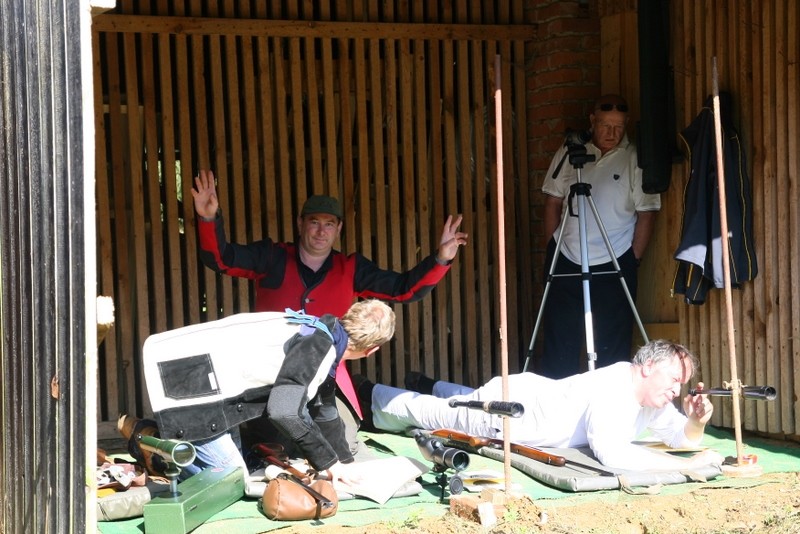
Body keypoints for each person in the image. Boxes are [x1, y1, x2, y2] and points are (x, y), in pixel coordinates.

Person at [191, 169, 468, 426]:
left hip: (328, 378)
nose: (321, 231)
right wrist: (208, 219)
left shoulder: (351, 268)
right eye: (314, 222)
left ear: (338, 228)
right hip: (267, 375)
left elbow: (404, 289)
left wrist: (440, 259)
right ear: (301, 223)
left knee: (344, 437)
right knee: (268, 436)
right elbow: (222, 259)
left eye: (329, 224)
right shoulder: (272, 256)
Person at [359, 340, 725, 472]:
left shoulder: (651, 396)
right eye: (674, 379)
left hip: (528, 395)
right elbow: (613, 455)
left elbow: (683, 438)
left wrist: (696, 422)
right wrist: (688, 468)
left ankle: (427, 381)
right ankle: (366, 392)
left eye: (683, 383)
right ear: (647, 368)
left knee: (455, 398)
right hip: (507, 414)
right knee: (425, 412)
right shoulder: (614, 388)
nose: (678, 391)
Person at [141, 299, 396, 487]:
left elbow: (323, 409)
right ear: (372, 350)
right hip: (186, 382)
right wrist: (328, 464)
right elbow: (284, 412)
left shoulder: (324, 333)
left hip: (196, 377)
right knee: (232, 482)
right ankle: (151, 444)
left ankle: (165, 443)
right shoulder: (318, 348)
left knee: (237, 468)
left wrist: (343, 463)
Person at [539, 94, 661, 378]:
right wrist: (551, 245)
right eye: (606, 125)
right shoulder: (572, 150)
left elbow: (648, 212)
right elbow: (553, 200)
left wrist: (634, 258)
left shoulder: (635, 157)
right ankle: (557, 409)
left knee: (612, 344)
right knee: (560, 338)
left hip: (614, 259)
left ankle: (608, 410)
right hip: (566, 256)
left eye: (619, 127)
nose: (612, 133)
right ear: (592, 121)